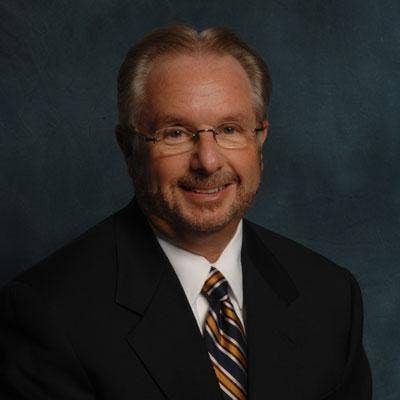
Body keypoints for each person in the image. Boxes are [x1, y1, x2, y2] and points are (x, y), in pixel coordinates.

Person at [0, 24, 371, 400]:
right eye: (175, 133)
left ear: (259, 139)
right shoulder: (50, 313)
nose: (207, 162)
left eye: (229, 129)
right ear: (129, 149)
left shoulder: (330, 297)